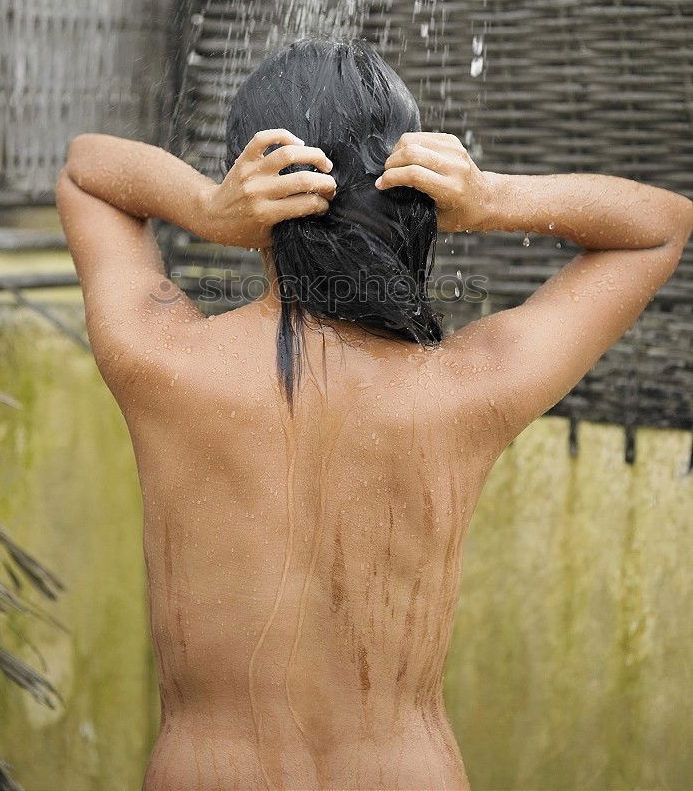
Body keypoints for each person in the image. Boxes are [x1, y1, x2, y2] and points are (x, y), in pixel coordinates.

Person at [57, 39, 692, 791]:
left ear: (256, 190)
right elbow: (659, 224)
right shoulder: (466, 388)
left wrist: (207, 208)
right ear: (407, 191)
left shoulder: (165, 364)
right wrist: (490, 198)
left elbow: (85, 170)